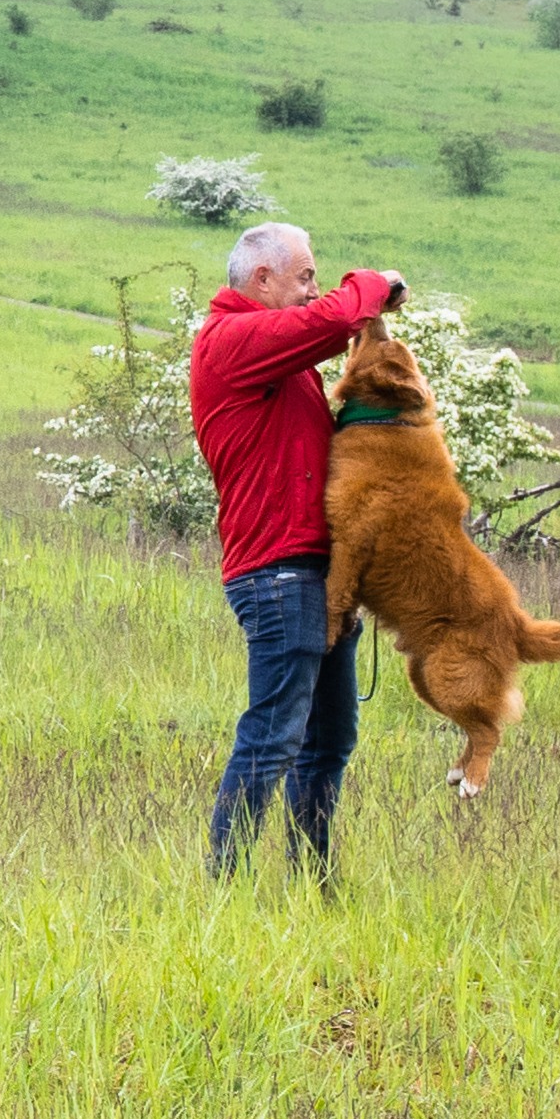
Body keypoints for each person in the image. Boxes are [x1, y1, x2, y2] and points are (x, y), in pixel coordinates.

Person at [190, 222, 403, 870]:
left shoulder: (283, 365)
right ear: (263, 280)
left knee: (328, 738)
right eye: (305, 275)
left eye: (317, 276)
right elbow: (337, 317)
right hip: (278, 575)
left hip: (318, 574)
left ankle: (314, 881)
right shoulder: (232, 340)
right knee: (274, 736)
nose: (314, 288)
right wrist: (374, 285)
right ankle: (222, 888)